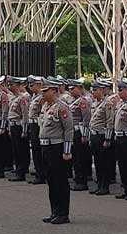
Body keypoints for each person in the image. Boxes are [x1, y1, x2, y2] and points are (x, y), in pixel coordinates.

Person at [39, 77, 74, 225]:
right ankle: (54, 211)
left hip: (57, 147)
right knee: (51, 181)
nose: (42, 94)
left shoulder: (62, 107)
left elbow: (68, 129)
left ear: (53, 91)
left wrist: (67, 151)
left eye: (45, 91)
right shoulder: (46, 107)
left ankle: (63, 213)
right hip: (46, 147)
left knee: (60, 181)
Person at [88, 79, 114, 196]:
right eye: (92, 90)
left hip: (102, 136)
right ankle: (99, 185)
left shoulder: (107, 104)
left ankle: (105, 186)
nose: (93, 92)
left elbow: (110, 122)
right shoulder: (95, 103)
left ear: (102, 90)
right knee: (97, 162)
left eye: (95, 90)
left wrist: (107, 139)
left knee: (104, 162)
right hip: (94, 135)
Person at [68, 78, 92, 191]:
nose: (71, 91)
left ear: (79, 88)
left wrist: (84, 134)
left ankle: (82, 181)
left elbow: (86, 118)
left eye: (73, 88)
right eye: (70, 89)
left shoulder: (82, 101)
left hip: (79, 132)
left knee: (80, 157)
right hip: (73, 131)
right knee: (75, 158)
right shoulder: (73, 101)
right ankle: (78, 179)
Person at [7, 76, 30, 182]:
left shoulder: (22, 98)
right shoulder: (12, 97)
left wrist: (25, 129)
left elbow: (25, 115)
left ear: (17, 85)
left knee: (21, 150)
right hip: (12, 125)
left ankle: (21, 172)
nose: (9, 86)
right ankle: (18, 170)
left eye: (11, 84)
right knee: (15, 150)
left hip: (19, 126)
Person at [27, 76, 46, 184]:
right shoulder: (34, 96)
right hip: (33, 125)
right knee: (35, 150)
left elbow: (43, 112)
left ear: (39, 84)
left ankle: (42, 174)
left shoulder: (42, 97)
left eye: (32, 85)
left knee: (39, 151)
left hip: (39, 125)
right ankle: (39, 172)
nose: (30, 87)